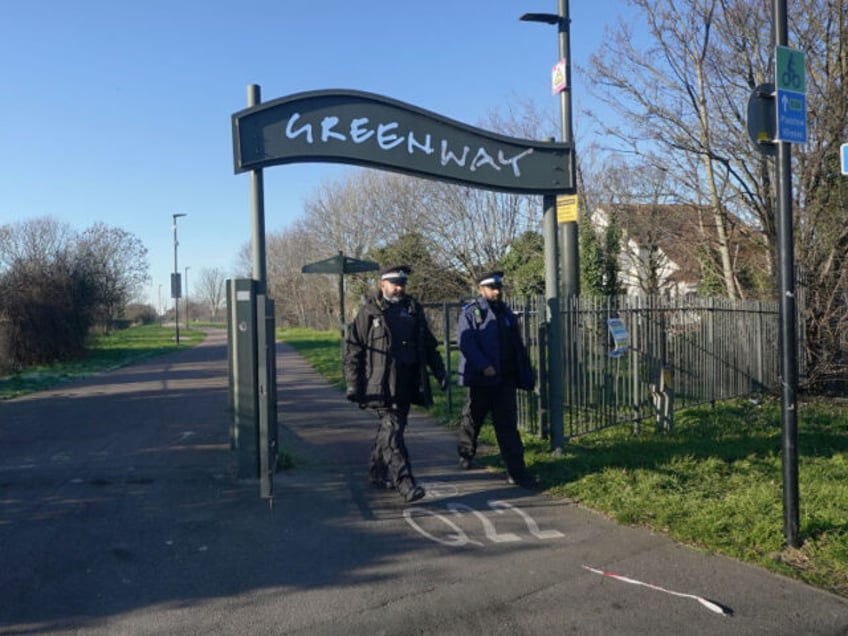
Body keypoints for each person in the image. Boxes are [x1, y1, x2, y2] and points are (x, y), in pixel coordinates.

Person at [344, 264, 447, 503]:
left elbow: (429, 346)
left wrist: (439, 371)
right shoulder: (369, 312)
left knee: (392, 429)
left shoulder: (413, 310)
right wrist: (353, 385)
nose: (399, 288)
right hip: (380, 384)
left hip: (407, 382)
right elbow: (353, 350)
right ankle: (405, 483)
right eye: (395, 283)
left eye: (403, 284)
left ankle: (376, 472)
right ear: (383, 285)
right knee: (393, 432)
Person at [456, 270, 540, 489]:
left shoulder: (506, 314)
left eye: (498, 288)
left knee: (507, 426)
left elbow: (516, 346)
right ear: (481, 290)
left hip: (505, 379)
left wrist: (523, 372)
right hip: (481, 379)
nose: (496, 291)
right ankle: (466, 452)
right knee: (473, 418)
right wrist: (484, 366)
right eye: (492, 288)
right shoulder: (471, 313)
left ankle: (517, 472)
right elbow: (467, 344)